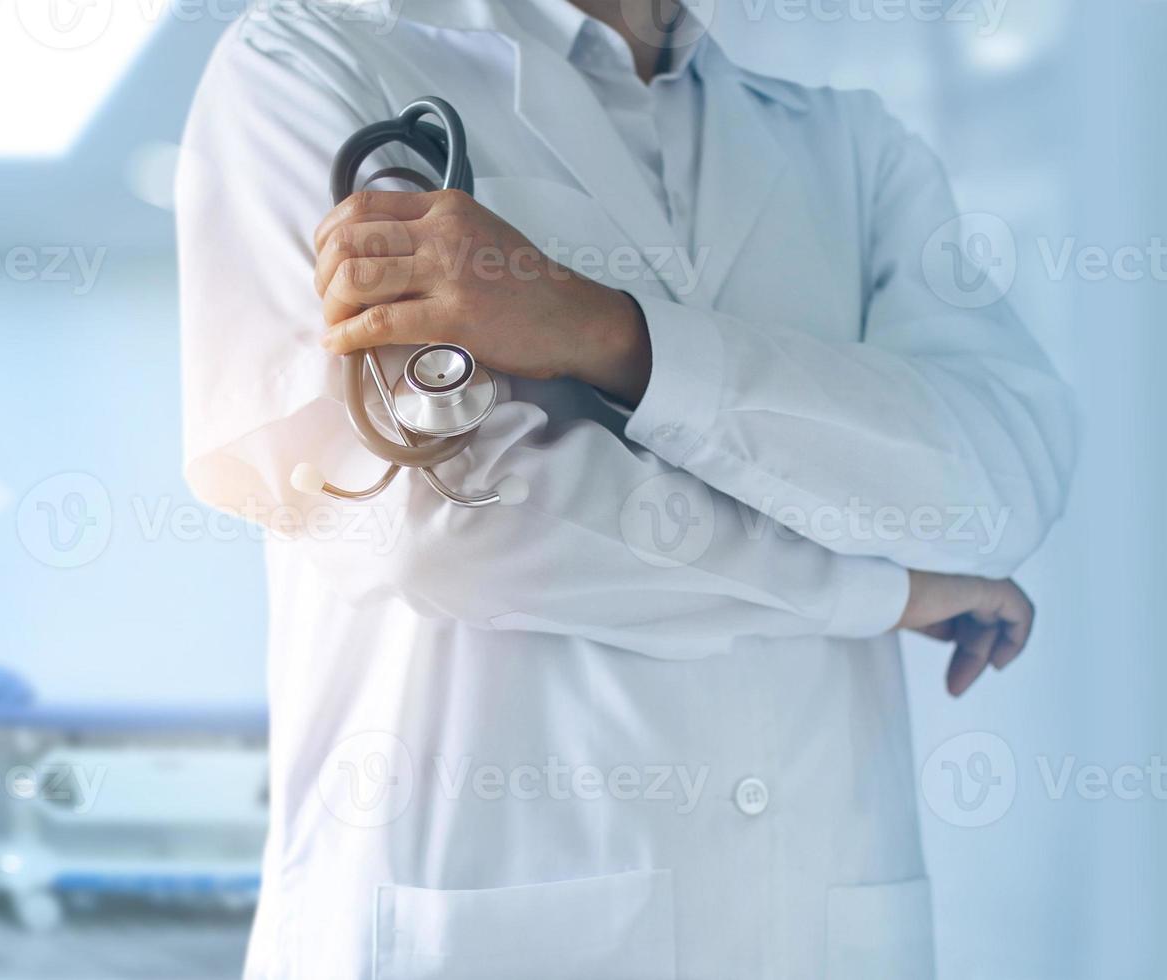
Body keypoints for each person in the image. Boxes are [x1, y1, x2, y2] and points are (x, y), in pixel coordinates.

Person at [174, 0, 1079, 977]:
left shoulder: (854, 146)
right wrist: (882, 588)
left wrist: (613, 335)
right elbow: (438, 521)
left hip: (820, 922)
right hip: (478, 919)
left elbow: (1004, 477)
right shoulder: (308, 57)